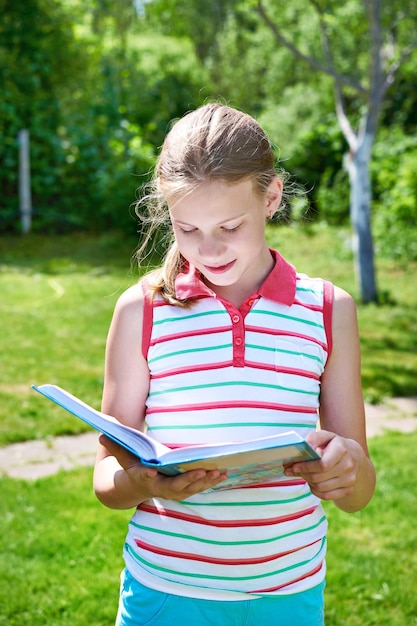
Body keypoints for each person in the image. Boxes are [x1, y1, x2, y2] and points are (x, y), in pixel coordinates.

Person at [93, 103, 376, 626]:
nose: (209, 248)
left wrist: (344, 469)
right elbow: (108, 475)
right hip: (166, 591)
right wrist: (146, 484)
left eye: (229, 225)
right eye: (187, 228)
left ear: (271, 198)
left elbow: (359, 489)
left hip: (289, 593)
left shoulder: (329, 310)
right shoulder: (142, 310)